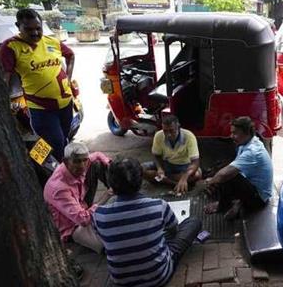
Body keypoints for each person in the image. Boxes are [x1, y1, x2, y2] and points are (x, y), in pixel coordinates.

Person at [94, 156, 202, 287]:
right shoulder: (158, 206)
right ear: (140, 180)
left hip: (121, 282)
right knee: (193, 222)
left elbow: (107, 241)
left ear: (111, 184)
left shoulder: (99, 215)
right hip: (158, 277)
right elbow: (174, 230)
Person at [0, 8, 76, 161]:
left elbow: (70, 55)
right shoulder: (10, 47)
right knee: (55, 146)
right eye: (28, 29)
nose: (35, 33)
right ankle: (55, 179)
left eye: (38, 28)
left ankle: (55, 173)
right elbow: (3, 79)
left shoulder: (52, 42)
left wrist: (68, 77)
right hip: (41, 109)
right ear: (18, 26)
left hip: (66, 104)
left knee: (64, 140)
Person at [43, 143, 112, 253]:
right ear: (65, 161)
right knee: (108, 245)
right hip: (72, 225)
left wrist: (109, 163)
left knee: (98, 164)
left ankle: (120, 192)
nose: (82, 166)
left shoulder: (83, 163)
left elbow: (97, 155)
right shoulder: (59, 188)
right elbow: (82, 220)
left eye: (84, 160)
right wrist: (105, 196)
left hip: (82, 204)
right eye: (76, 162)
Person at [204, 116, 273, 220]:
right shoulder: (245, 143)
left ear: (247, 133)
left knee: (227, 176)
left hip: (259, 199)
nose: (231, 136)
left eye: (235, 133)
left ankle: (223, 206)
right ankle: (238, 202)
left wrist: (210, 182)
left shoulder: (252, 151)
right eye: (231, 132)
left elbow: (225, 174)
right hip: (251, 186)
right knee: (224, 167)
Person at [143, 115, 202, 194]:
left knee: (197, 174)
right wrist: (160, 168)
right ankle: (174, 183)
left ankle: (166, 180)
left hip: (183, 166)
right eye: (165, 131)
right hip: (166, 164)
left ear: (178, 127)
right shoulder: (158, 135)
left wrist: (184, 177)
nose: (168, 135)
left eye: (171, 131)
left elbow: (195, 162)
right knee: (140, 169)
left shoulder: (189, 136)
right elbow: (156, 155)